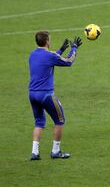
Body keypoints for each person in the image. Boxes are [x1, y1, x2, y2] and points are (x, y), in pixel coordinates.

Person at [28, 31, 82, 160]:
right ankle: (55, 151)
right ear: (47, 41)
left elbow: (48, 59)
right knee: (60, 120)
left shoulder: (32, 55)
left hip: (32, 94)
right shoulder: (49, 56)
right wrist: (74, 48)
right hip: (46, 94)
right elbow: (68, 61)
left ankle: (35, 153)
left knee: (39, 122)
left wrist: (61, 49)